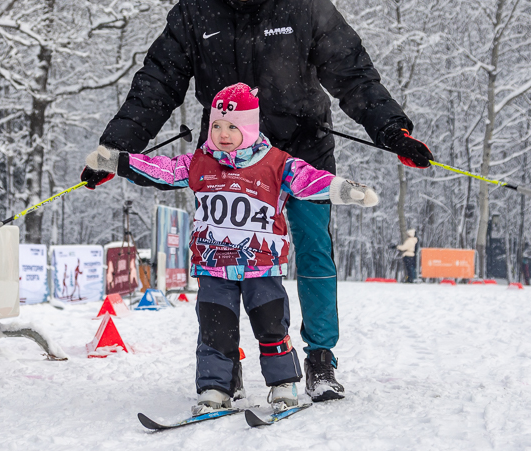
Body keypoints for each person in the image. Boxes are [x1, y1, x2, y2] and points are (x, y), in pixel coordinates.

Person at [81, 0, 432, 401]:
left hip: (301, 151)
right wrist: (116, 150)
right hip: (225, 164)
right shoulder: (195, 10)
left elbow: (353, 73)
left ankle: (320, 358)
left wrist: (392, 130)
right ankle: (228, 365)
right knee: (227, 264)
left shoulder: (302, 4)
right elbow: (157, 82)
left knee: (312, 252)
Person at [90, 83, 377, 412]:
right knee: (215, 330)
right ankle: (215, 389)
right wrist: (116, 161)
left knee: (271, 328)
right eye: (217, 126)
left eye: (232, 127)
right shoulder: (200, 162)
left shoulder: (277, 163)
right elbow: (163, 171)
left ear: (250, 128)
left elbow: (311, 180)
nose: (223, 134)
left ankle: (283, 386)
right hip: (213, 267)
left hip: (261, 266)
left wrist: (346, 189)